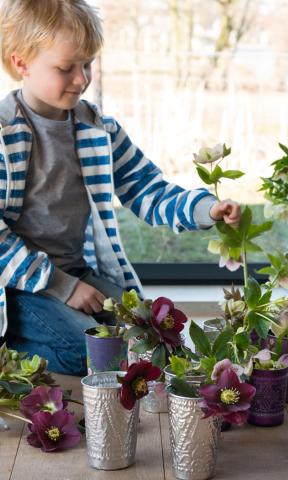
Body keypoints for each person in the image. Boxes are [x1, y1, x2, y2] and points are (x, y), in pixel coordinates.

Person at [0, 0, 240, 376]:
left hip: (76, 271)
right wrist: (63, 288)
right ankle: (9, 339)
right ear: (21, 64)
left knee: (152, 335)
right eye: (66, 68)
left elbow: (145, 187)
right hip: (18, 286)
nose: (82, 79)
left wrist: (204, 209)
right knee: (94, 355)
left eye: (87, 64)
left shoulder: (97, 129)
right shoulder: (4, 136)